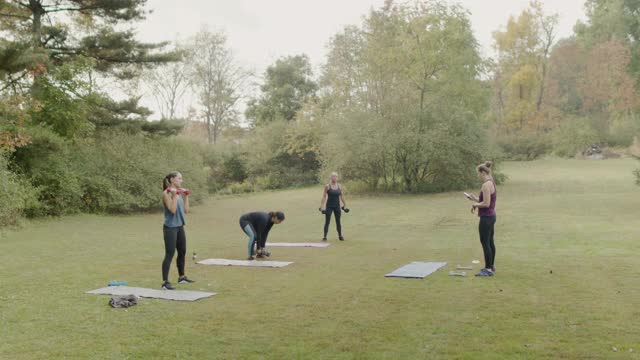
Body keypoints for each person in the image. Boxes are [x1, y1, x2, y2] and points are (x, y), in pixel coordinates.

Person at [161, 172, 195, 290]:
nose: (182, 181)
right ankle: (165, 282)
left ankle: (182, 277)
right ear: (172, 179)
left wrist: (186, 196)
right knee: (169, 254)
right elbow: (172, 210)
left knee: (182, 251)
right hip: (170, 228)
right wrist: (175, 195)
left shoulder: (178, 193)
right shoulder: (166, 193)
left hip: (180, 226)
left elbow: (186, 211)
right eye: (179, 178)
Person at [466, 162, 497, 277]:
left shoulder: (485, 185)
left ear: (483, 172)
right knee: (490, 242)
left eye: (478, 174)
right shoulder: (491, 182)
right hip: (491, 216)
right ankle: (491, 266)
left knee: (485, 243)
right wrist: (474, 198)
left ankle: (487, 270)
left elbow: (486, 203)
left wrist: (475, 205)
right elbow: (484, 199)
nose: (478, 176)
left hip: (486, 218)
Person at [319, 172, 347, 241]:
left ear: (337, 178)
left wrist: (345, 205)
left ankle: (340, 236)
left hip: (337, 206)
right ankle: (325, 236)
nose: (334, 178)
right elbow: (324, 196)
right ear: (331, 178)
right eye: (333, 176)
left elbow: (342, 196)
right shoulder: (327, 186)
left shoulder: (339, 186)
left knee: (338, 221)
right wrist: (321, 206)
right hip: (329, 206)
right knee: (327, 221)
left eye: (335, 176)